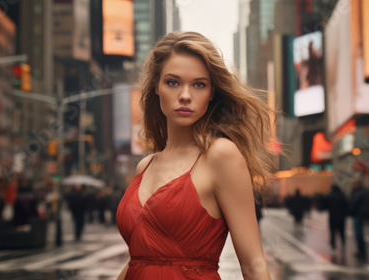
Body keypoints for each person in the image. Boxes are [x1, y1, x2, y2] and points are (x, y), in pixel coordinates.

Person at [116, 31, 275, 279]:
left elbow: (253, 263)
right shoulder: (144, 166)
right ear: (156, 86)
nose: (185, 95)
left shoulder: (221, 156)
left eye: (199, 84)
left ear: (212, 93)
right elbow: (138, 261)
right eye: (173, 82)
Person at [325, 184, 348, 258]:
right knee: (342, 233)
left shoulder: (330, 196)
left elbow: (326, 205)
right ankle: (343, 245)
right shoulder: (342, 196)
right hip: (342, 218)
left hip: (333, 217)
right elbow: (347, 206)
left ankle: (333, 248)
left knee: (332, 233)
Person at [350, 180, 368, 261]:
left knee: (359, 234)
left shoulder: (359, 193)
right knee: (358, 234)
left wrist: (351, 212)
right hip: (359, 214)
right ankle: (361, 252)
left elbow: (354, 203)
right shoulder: (361, 192)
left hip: (358, 215)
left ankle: (362, 253)